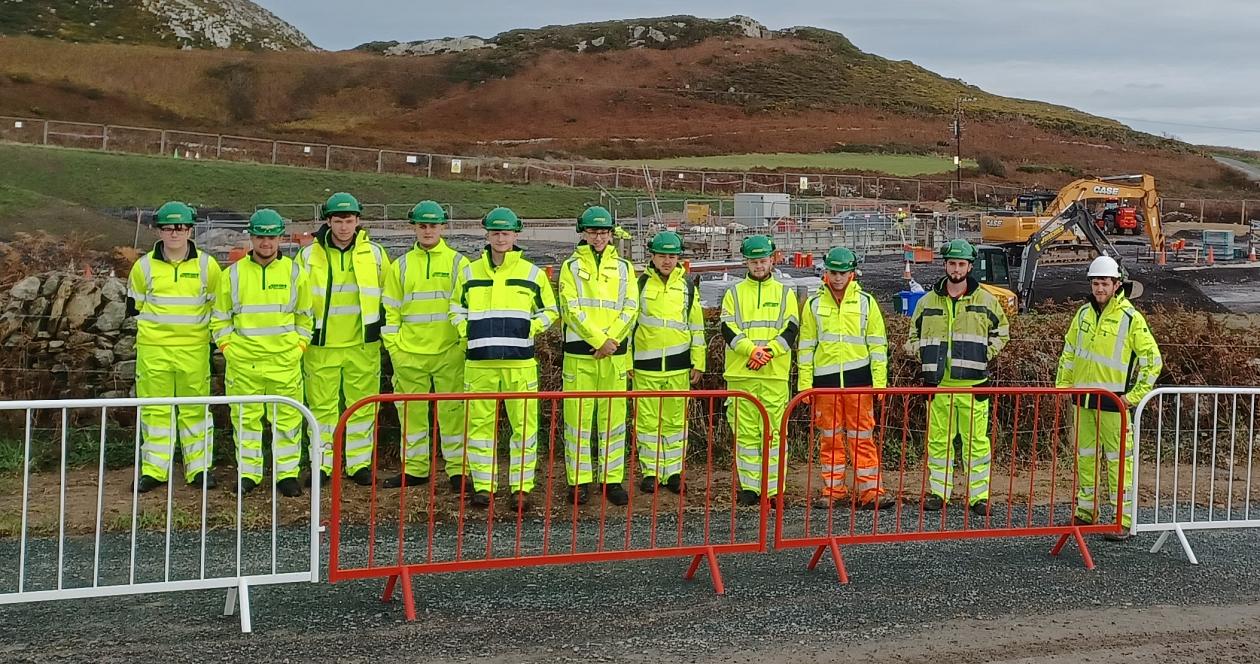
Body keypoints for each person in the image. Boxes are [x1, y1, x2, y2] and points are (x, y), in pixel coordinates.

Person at [449, 207, 558, 509]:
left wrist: (529, 328)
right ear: (487, 234)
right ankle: (484, 486)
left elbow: (550, 311)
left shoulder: (532, 274)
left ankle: (520, 488)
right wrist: (466, 330)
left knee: (524, 428)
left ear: (515, 235)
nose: (500, 238)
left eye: (505, 233)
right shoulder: (470, 272)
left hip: (519, 363)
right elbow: (455, 309)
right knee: (479, 428)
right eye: (495, 233)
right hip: (480, 362)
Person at [1055, 255, 1162, 541]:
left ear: (1117, 284)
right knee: (1085, 459)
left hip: (1115, 405)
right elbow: (1069, 354)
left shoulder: (1130, 318)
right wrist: (1063, 388)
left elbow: (1152, 361)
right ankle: (1086, 512)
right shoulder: (1082, 315)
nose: (1099, 288)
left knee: (1118, 463)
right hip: (1083, 401)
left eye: (1104, 283)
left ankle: (1121, 520)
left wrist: (1134, 396)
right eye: (1095, 282)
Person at [210, 209, 312, 496]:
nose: (266, 242)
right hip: (244, 364)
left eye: (272, 236)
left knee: (288, 422)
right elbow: (219, 318)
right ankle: (249, 475)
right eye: (260, 236)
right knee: (245, 421)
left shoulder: (295, 273)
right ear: (251, 238)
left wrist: (298, 348)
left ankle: (287, 475)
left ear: (280, 237)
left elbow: (306, 318)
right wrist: (230, 349)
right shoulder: (232, 275)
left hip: (284, 363)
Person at [907, 239, 1009, 516]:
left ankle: (979, 497)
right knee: (938, 442)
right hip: (938, 385)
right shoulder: (928, 301)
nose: (956, 269)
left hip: (974, 385)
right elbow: (912, 336)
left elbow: (1003, 331)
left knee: (976, 444)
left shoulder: (986, 300)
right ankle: (939, 492)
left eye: (961, 264)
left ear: (969, 266)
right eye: (952, 263)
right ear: (945, 265)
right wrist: (922, 353)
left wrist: (985, 354)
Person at [297, 192, 390, 487]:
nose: (344, 227)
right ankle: (322, 466)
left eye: (349, 221)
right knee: (321, 409)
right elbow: (297, 297)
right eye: (338, 221)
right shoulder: (308, 255)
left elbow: (388, 294)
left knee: (362, 406)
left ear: (358, 221)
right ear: (328, 221)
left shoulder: (374, 254)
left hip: (362, 344)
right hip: (321, 345)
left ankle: (359, 464)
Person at [127, 201, 221, 492]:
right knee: (156, 411)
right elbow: (135, 307)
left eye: (181, 227)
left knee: (195, 410)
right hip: (154, 352)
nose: (175, 233)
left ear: (190, 229)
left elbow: (218, 307)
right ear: (159, 231)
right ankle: (155, 470)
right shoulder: (143, 267)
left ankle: (199, 470)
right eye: (169, 228)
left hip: (194, 351)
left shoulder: (208, 266)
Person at [381, 201, 471, 490]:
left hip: (449, 354)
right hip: (409, 355)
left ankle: (458, 471)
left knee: (454, 414)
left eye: (433, 225)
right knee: (411, 414)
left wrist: (461, 345)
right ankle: (416, 470)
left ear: (443, 227)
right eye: (422, 225)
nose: (428, 230)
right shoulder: (401, 265)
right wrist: (395, 349)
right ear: (414, 228)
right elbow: (390, 310)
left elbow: (469, 308)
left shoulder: (459, 263)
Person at [798, 247, 893, 510]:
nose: (837, 278)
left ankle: (871, 492)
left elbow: (877, 346)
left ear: (852, 274)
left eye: (842, 273)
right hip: (825, 385)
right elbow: (806, 347)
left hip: (859, 384)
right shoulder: (814, 305)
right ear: (826, 272)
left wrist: (880, 382)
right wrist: (805, 385)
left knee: (862, 439)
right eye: (833, 272)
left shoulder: (866, 302)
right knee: (829, 440)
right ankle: (833, 490)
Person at [558, 206, 639, 505]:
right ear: (584, 232)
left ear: (611, 233)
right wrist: (599, 340)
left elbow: (631, 307)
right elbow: (570, 309)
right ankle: (578, 481)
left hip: (613, 356)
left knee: (613, 421)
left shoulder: (625, 268)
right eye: (593, 232)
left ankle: (611, 480)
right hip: (581, 355)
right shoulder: (570, 267)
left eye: (603, 232)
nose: (598, 237)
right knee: (577, 420)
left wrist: (611, 341)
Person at [720, 235, 798, 506]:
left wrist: (766, 354)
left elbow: (790, 330)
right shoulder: (734, 293)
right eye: (754, 262)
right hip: (742, 374)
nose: (758, 266)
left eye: (763, 261)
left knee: (774, 433)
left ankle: (774, 489)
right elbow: (727, 328)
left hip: (773, 375)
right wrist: (751, 351)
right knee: (745, 433)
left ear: (772, 259)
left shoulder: (785, 292)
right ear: (747, 262)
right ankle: (751, 488)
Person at [629, 231, 704, 495]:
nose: (667, 261)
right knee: (648, 422)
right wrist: (628, 360)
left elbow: (696, 326)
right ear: (653, 256)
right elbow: (630, 324)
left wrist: (699, 361)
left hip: (678, 366)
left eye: (672, 256)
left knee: (675, 423)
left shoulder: (687, 287)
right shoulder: (639, 285)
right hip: (645, 366)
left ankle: (673, 472)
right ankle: (651, 472)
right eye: (662, 256)